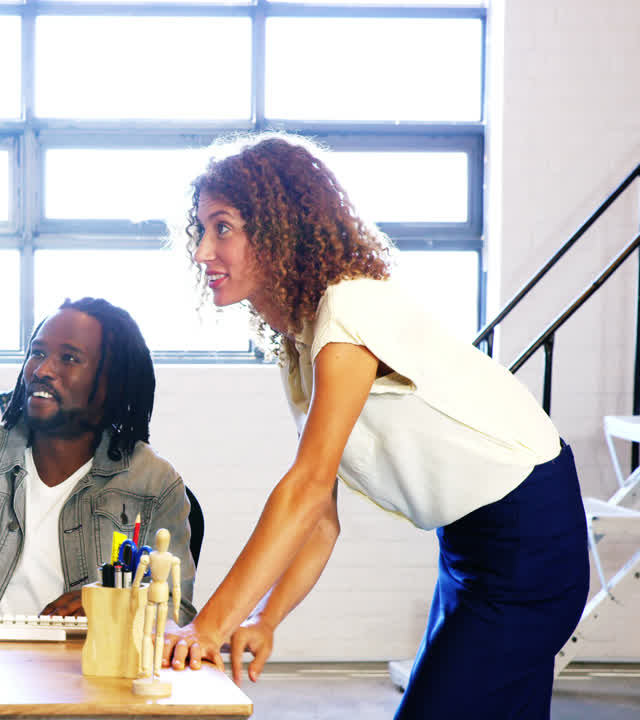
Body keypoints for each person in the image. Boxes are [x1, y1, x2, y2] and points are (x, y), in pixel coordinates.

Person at [164, 133, 588, 720]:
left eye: (223, 228)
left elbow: (306, 488)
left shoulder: (350, 311)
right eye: (202, 229)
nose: (203, 251)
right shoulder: (302, 343)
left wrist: (208, 627)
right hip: (472, 540)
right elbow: (321, 519)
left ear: (280, 230)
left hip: (527, 536)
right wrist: (266, 618)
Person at [0, 297, 198, 624]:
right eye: (38, 353)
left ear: (113, 382)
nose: (42, 370)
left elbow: (176, 610)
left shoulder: (153, 482)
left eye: (69, 358)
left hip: (83, 655)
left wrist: (113, 607)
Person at [132, 528, 182, 695]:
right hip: (161, 593)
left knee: (148, 634)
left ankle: (149, 668)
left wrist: (133, 592)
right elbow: (176, 586)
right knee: (157, 635)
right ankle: (152, 669)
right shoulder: (172, 560)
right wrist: (176, 607)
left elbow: (137, 579)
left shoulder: (149, 557)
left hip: (154, 592)